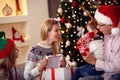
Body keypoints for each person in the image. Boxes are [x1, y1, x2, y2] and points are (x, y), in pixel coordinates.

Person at [78, 5, 120, 80]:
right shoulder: (106, 34)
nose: (97, 27)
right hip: (105, 75)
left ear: (111, 24)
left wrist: (95, 61)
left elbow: (117, 68)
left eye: (100, 25)